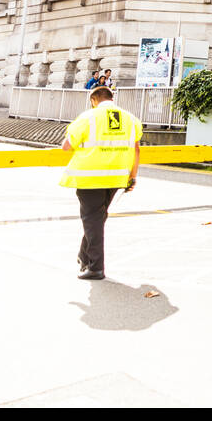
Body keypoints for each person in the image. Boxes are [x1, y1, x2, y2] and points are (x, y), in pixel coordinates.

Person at [60, 85, 142, 280]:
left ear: (94, 100)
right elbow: (137, 150)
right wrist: (133, 176)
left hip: (90, 177)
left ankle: (96, 267)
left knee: (92, 220)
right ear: (112, 98)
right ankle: (84, 257)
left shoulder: (88, 117)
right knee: (96, 219)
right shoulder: (131, 119)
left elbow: (66, 146)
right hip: (116, 178)